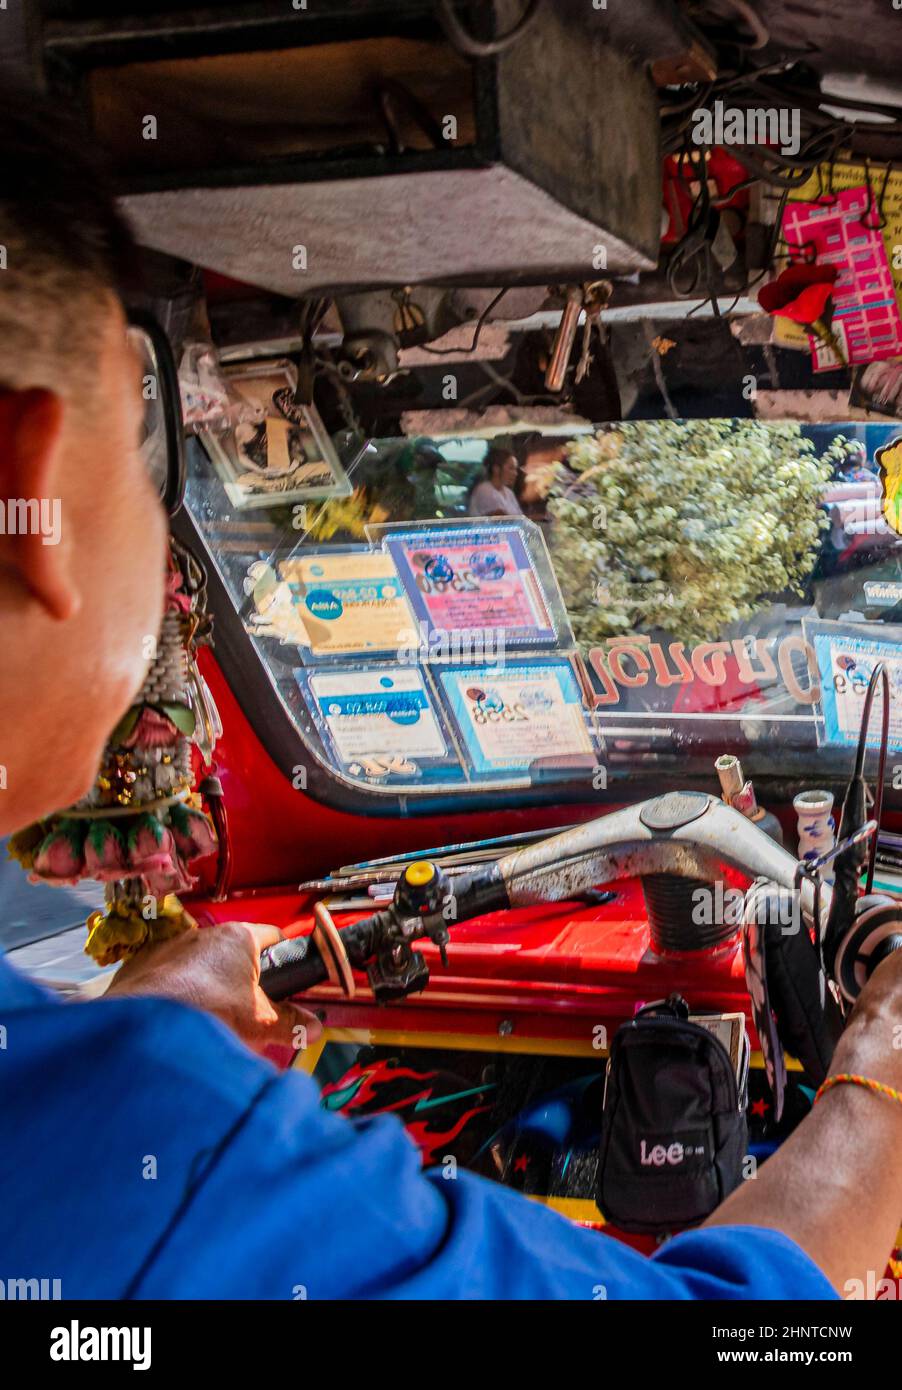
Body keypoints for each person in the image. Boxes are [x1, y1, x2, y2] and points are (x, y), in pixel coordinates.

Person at [1, 87, 901, 1301]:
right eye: (150, 456)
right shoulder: (149, 1152)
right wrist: (880, 1067)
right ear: (35, 488)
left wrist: (131, 1039)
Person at [466, 446, 523, 517]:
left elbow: (520, 517)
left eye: (515, 469)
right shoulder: (484, 490)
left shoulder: (509, 493)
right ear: (496, 469)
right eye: (511, 468)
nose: (515, 473)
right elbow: (500, 518)